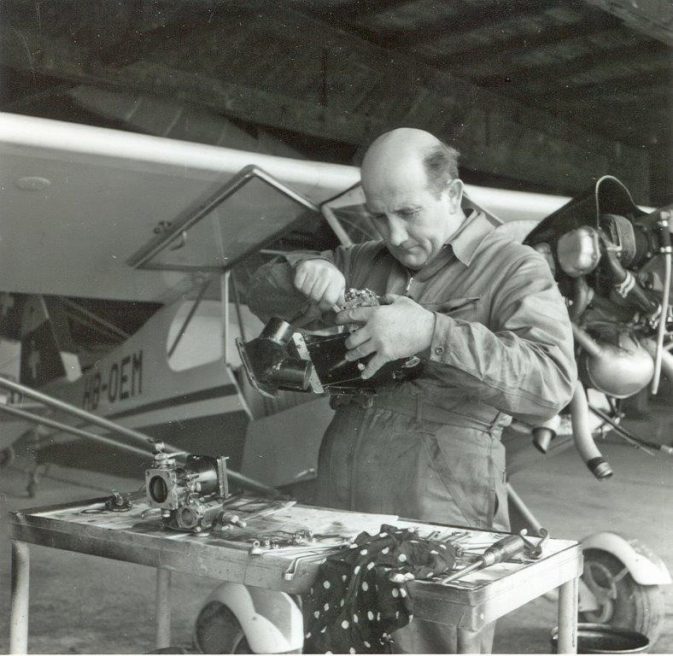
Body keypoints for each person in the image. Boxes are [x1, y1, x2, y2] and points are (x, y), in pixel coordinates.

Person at [247, 128, 577, 652]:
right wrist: (304, 271)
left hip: (440, 511)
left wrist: (432, 334)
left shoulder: (514, 268)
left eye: (408, 213)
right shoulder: (362, 260)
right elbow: (256, 287)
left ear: (452, 193)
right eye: (379, 217)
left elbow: (551, 384)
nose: (395, 235)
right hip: (341, 506)